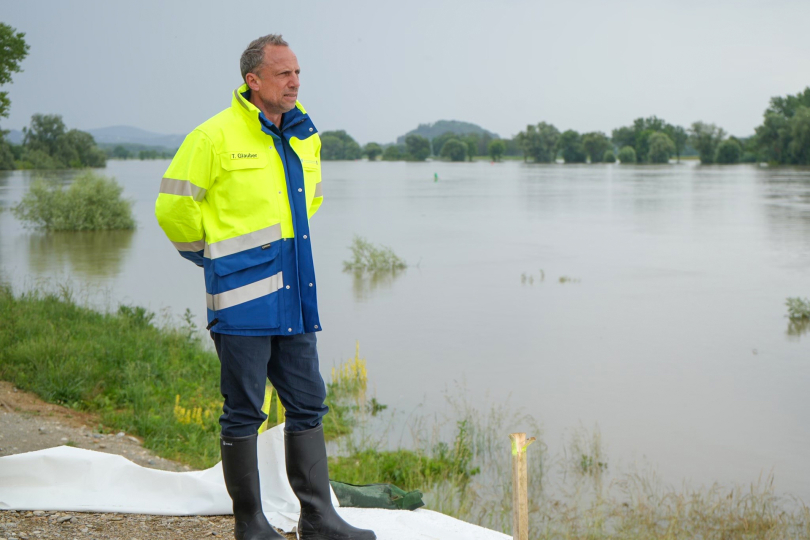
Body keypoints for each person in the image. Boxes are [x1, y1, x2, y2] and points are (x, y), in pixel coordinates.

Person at [155, 34, 375, 540]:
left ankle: (318, 519)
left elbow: (308, 201)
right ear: (253, 81)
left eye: (298, 73)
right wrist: (212, 259)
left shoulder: (305, 133)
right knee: (245, 409)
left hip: (296, 293)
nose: (294, 82)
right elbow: (173, 207)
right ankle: (250, 524)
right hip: (241, 300)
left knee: (308, 402)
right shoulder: (213, 136)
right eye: (283, 74)